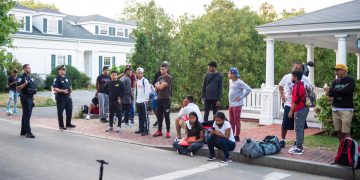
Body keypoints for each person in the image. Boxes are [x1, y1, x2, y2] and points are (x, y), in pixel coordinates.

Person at [278, 62, 312, 148]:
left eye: (299, 69)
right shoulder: (286, 77)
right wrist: (282, 95)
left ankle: (298, 141)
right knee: (285, 123)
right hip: (289, 103)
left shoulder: (305, 79)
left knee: (300, 125)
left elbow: (310, 90)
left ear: (302, 70)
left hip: (300, 106)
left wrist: (308, 102)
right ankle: (282, 140)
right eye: (295, 68)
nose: (297, 70)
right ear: (292, 68)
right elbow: (280, 86)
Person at [325, 64, 355, 142]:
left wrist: (334, 91)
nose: (336, 72)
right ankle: (342, 149)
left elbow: (347, 91)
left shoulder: (350, 80)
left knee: (345, 132)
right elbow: (331, 94)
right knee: (338, 131)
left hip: (346, 110)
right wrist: (333, 91)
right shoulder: (334, 81)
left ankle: (350, 150)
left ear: (344, 71)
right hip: (335, 109)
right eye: (336, 70)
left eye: (338, 70)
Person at [287, 70, 309, 155]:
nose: (291, 78)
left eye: (292, 76)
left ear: (295, 77)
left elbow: (296, 100)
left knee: (298, 129)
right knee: (299, 128)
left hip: (300, 109)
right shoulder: (300, 85)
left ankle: (299, 147)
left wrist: (291, 111)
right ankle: (298, 145)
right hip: (302, 109)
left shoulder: (297, 86)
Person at [228, 67, 252, 142]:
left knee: (236, 120)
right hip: (231, 104)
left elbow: (249, 89)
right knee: (231, 120)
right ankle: (232, 134)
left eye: (229, 73)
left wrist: (241, 97)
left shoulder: (239, 82)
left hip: (237, 105)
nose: (228, 74)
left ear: (233, 74)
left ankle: (237, 135)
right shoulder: (230, 81)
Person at [53, 65, 76, 130]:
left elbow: (70, 86)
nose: (64, 70)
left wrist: (70, 89)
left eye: (65, 69)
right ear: (59, 70)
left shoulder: (67, 78)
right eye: (63, 69)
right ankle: (61, 125)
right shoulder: (57, 78)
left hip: (68, 97)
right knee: (60, 112)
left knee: (69, 111)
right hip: (61, 97)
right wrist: (63, 91)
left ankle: (68, 124)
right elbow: (54, 88)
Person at [16, 64, 36, 138]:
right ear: (24, 69)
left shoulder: (30, 77)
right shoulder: (21, 77)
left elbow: (32, 89)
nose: (30, 69)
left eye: (30, 67)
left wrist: (33, 99)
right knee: (27, 115)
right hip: (25, 97)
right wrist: (25, 83)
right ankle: (28, 132)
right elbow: (17, 88)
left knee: (26, 115)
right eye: (28, 68)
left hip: (30, 98)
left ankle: (23, 131)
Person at [153, 64, 172, 138]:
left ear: (166, 69)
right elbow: (156, 89)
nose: (162, 70)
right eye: (161, 69)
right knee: (159, 115)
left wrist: (157, 85)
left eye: (163, 69)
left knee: (166, 115)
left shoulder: (168, 77)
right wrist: (158, 85)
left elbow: (161, 87)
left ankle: (168, 131)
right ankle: (159, 131)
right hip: (159, 98)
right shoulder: (159, 78)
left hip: (166, 99)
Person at [134, 67, 151, 136]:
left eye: (141, 73)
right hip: (138, 101)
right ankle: (141, 129)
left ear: (143, 73)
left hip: (143, 101)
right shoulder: (137, 80)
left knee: (145, 116)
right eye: (138, 73)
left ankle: (146, 130)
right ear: (136, 73)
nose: (140, 74)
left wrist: (146, 100)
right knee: (140, 116)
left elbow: (148, 90)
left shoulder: (145, 81)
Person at [152, 61, 169, 127]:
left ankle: (160, 121)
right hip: (157, 94)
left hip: (166, 95)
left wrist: (159, 85)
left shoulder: (169, 75)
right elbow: (154, 84)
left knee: (164, 110)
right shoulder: (157, 74)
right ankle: (159, 119)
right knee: (154, 108)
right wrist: (156, 87)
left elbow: (168, 85)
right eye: (162, 66)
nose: (163, 69)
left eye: (165, 66)